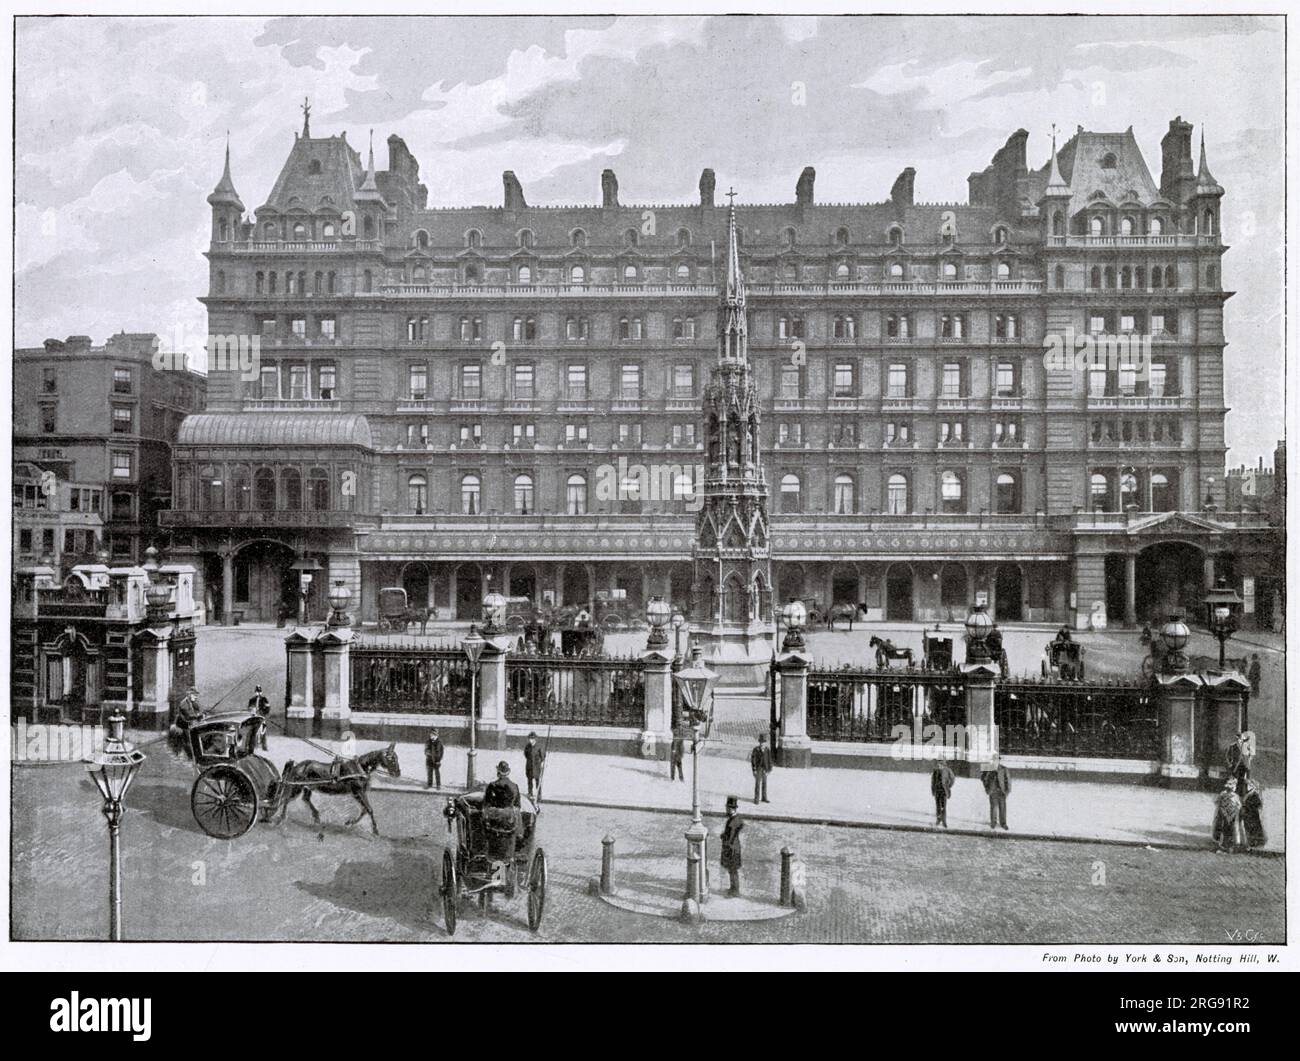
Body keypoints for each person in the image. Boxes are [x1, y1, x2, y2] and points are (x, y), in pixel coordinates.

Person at [720, 796, 744, 897]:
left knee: (732, 870)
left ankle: (735, 891)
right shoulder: (736, 819)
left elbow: (730, 837)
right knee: (732, 870)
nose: (726, 810)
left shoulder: (733, 822)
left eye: (727, 808)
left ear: (732, 809)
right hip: (734, 847)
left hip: (732, 849)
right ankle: (733, 888)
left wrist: (724, 839)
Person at [981, 753, 1011, 831]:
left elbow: (1008, 781)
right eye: (994, 760)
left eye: (997, 760)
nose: (995, 761)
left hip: (1002, 791)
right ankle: (993, 822)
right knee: (993, 807)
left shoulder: (1004, 769)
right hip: (993, 791)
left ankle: (1003, 823)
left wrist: (1007, 791)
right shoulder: (988, 769)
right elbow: (983, 778)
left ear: (999, 761)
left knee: (1002, 807)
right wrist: (987, 787)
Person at [1212, 778, 1242, 853]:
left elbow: (1216, 802)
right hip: (1228, 815)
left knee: (1227, 831)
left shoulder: (1225, 794)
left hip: (1228, 815)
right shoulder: (1233, 796)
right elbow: (1239, 805)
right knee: (1228, 831)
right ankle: (1227, 847)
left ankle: (1226, 847)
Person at [1240, 778, 1266, 850]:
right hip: (1248, 814)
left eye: (1250, 785)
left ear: (1254, 786)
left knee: (1253, 829)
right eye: (1248, 785)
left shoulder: (1255, 794)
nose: (1248, 786)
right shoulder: (1248, 794)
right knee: (1248, 829)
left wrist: (1248, 806)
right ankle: (1250, 843)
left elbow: (1258, 804)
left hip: (1252, 814)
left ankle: (1255, 844)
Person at [930, 758, 955, 827]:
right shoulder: (935, 771)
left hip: (944, 791)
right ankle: (938, 819)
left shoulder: (947, 770)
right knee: (938, 806)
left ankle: (944, 821)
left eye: (941, 763)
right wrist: (933, 790)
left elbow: (952, 778)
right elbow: (933, 781)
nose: (939, 764)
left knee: (943, 806)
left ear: (944, 763)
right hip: (937, 790)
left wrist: (949, 785)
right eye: (939, 762)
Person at [750, 733, 773, 804]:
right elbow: (753, 760)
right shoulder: (756, 749)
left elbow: (769, 760)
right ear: (759, 742)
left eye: (763, 742)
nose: (762, 744)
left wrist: (769, 769)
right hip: (758, 768)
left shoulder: (767, 750)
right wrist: (754, 770)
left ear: (765, 743)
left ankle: (764, 797)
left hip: (765, 768)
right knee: (757, 783)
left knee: (764, 783)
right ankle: (756, 799)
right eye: (761, 742)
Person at [247, 684, 270, 750]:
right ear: (255, 692)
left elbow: (267, 708)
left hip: (261, 717)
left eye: (259, 691)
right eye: (257, 691)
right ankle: (253, 746)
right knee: (253, 731)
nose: (258, 693)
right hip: (254, 717)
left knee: (263, 731)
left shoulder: (264, 699)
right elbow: (249, 708)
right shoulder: (252, 700)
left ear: (261, 692)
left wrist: (263, 713)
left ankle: (264, 746)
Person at [524, 732, 546, 799]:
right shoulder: (527, 746)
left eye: (532, 739)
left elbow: (543, 756)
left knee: (537, 781)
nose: (531, 740)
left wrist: (540, 763)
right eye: (530, 739)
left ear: (535, 739)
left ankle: (539, 795)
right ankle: (530, 793)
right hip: (529, 766)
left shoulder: (539, 746)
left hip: (536, 767)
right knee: (529, 781)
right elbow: (526, 754)